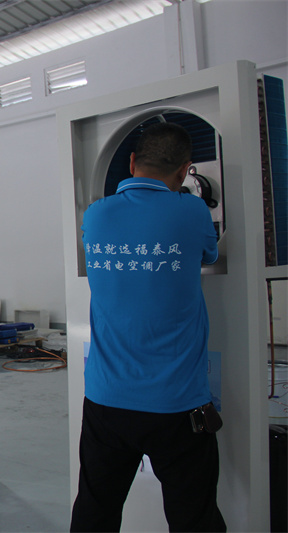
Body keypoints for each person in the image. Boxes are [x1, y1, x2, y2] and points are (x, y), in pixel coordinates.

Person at [70, 122, 226, 532]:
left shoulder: (96, 214)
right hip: (177, 405)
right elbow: (210, 253)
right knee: (194, 518)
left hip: (106, 402)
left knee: (95, 511)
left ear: (132, 162)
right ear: (185, 170)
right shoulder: (192, 211)